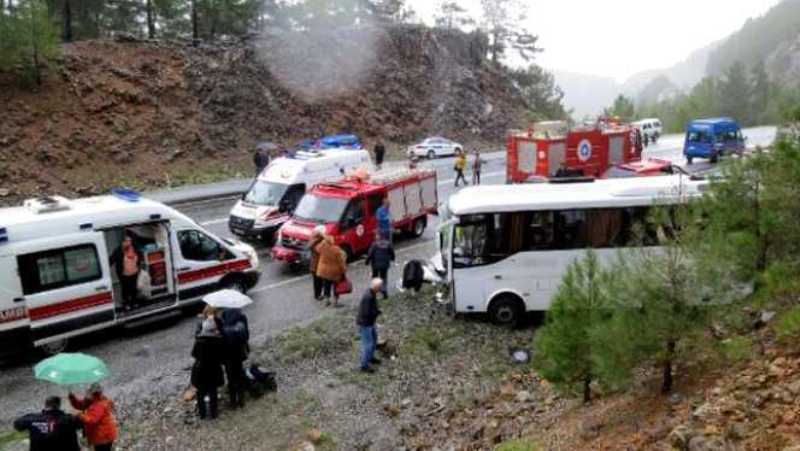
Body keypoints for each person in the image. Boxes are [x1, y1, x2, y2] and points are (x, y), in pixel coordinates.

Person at [191, 308, 225, 420]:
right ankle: (214, 413)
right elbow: (221, 357)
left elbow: (194, 354)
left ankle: (202, 414)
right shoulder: (217, 341)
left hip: (200, 370)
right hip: (213, 370)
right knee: (213, 392)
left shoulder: (199, 341)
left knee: (200, 393)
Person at [14, 396, 81, 451]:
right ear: (59, 405)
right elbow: (82, 424)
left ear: (45, 405)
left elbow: (17, 425)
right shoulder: (70, 419)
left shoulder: (31, 418)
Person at [68, 384, 118, 451]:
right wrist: (72, 398)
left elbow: (92, 420)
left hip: (103, 436)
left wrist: (80, 415)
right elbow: (81, 405)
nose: (87, 393)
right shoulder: (92, 401)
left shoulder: (99, 404)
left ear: (93, 393)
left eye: (89, 391)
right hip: (100, 434)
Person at [221, 308, 250, 409]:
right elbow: (246, 336)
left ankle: (233, 402)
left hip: (226, 353)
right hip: (238, 351)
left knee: (230, 377)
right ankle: (241, 400)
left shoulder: (223, 317)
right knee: (239, 375)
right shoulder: (241, 316)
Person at [356, 278, 383, 373]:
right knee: (367, 344)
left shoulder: (372, 293)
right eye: (380, 287)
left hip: (370, 322)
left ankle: (370, 357)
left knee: (374, 340)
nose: (381, 289)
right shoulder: (368, 296)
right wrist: (377, 312)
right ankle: (364, 365)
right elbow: (367, 312)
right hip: (366, 323)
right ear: (376, 287)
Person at [313, 234, 347, 307]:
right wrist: (344, 270)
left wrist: (324, 240)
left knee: (326, 286)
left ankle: (327, 301)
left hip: (324, 271)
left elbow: (316, 248)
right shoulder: (336, 249)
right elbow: (341, 262)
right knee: (336, 287)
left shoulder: (323, 247)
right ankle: (335, 302)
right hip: (335, 272)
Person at [110, 234, 140, 311]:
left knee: (134, 288)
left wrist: (138, 265)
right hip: (123, 274)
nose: (129, 242)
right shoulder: (118, 251)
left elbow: (139, 256)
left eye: (130, 241)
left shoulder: (134, 248)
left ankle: (134, 302)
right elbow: (111, 260)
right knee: (125, 289)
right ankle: (126, 304)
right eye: (127, 241)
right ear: (122, 242)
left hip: (134, 272)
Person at [365, 232, 394, 299]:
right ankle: (384, 291)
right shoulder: (388, 244)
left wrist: (367, 261)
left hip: (375, 264)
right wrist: (392, 258)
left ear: (378, 237)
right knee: (383, 277)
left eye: (376, 236)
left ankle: (374, 292)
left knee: (375, 278)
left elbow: (370, 254)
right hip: (385, 264)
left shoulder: (374, 244)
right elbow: (392, 252)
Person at [309, 226, 326, 301]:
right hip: (318, 265)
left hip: (314, 265)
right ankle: (318, 295)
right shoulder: (319, 242)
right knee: (318, 282)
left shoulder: (313, 240)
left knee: (317, 282)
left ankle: (318, 294)